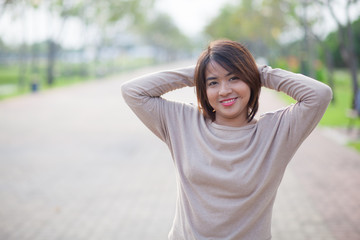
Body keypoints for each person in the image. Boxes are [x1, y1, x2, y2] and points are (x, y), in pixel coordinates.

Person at [121, 40, 332, 240]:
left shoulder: (276, 132)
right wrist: (199, 71)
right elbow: (132, 91)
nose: (224, 90)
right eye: (213, 83)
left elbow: (319, 94)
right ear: (203, 89)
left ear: (250, 80)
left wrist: (259, 71)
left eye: (234, 78)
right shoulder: (182, 122)